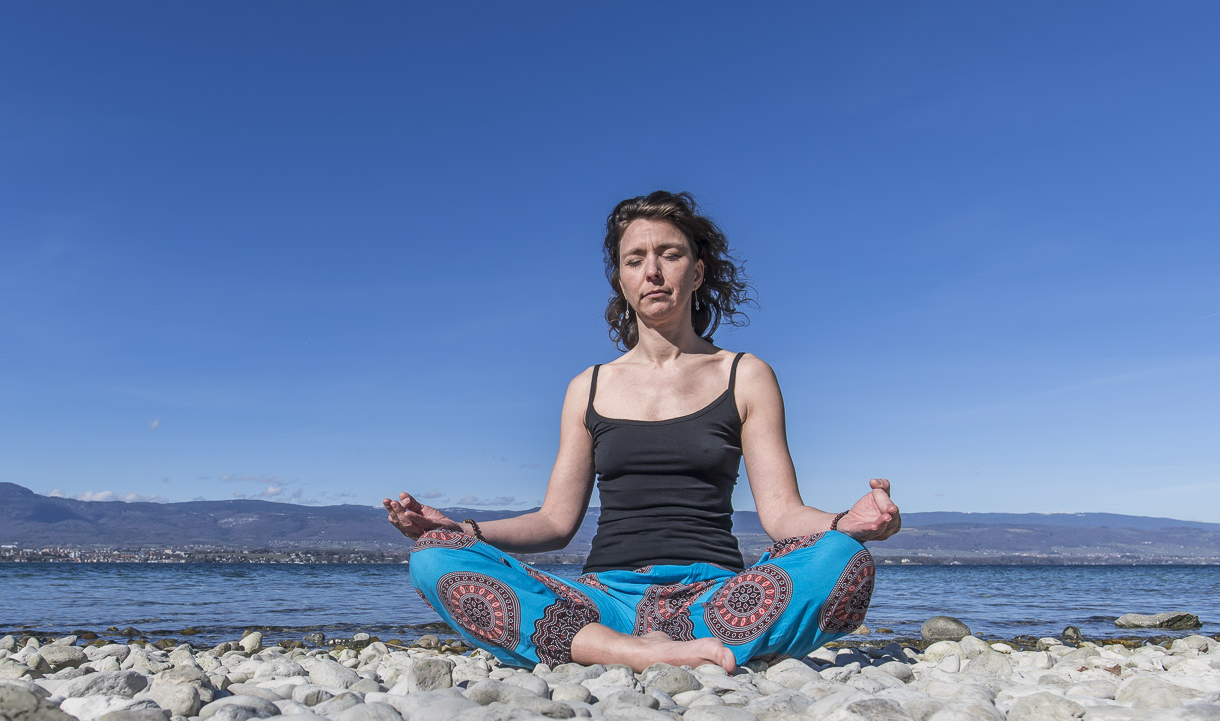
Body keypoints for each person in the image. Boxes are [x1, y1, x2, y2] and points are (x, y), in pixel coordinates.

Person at [384, 190, 900, 674]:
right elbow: (556, 521)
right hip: (603, 600)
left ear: (697, 272)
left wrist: (844, 522)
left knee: (844, 561)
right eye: (635, 260)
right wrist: (461, 531)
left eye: (669, 254)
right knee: (433, 556)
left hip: (716, 598)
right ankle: (638, 652)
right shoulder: (586, 387)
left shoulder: (745, 374)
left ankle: (605, 649)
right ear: (622, 281)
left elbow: (783, 513)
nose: (652, 270)